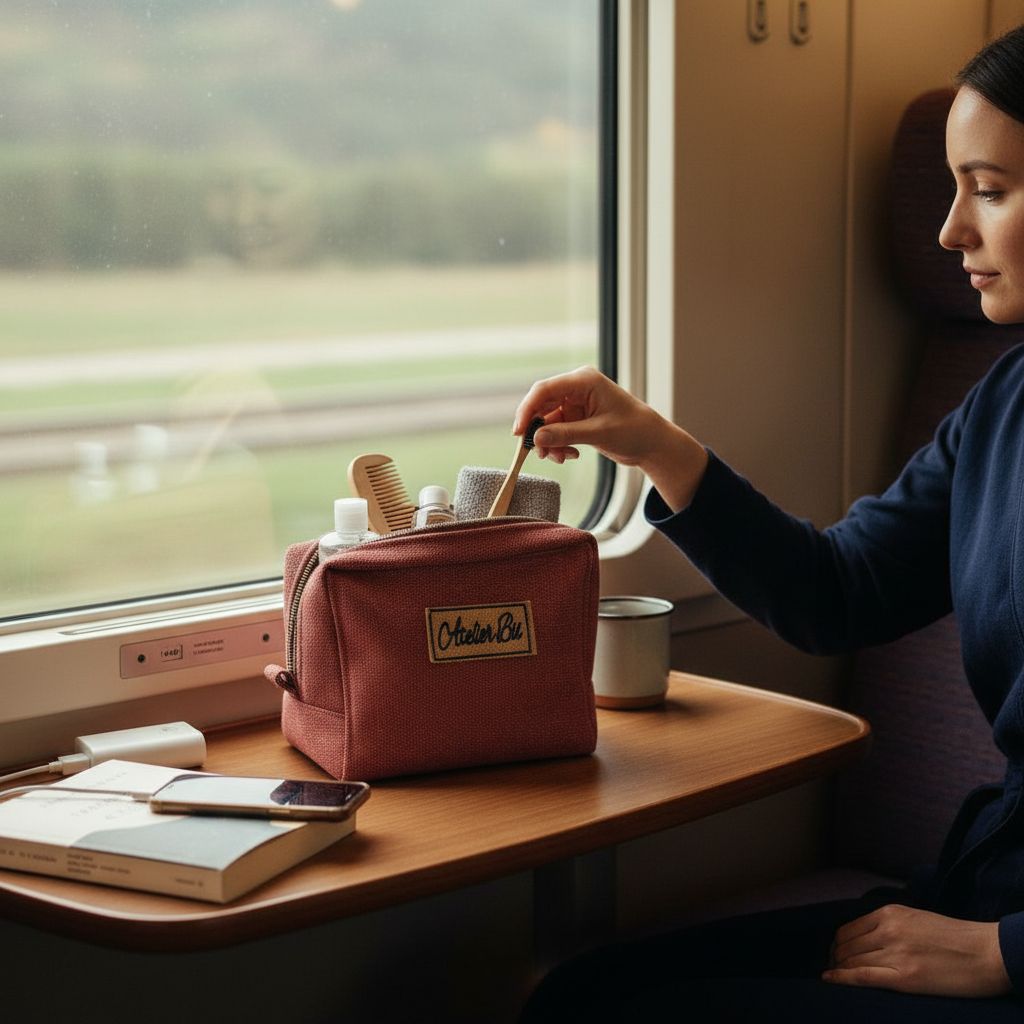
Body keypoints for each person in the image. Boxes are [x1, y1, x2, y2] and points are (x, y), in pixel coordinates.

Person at [515, 24, 1024, 1024]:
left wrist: (1006, 955)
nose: (949, 231)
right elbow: (837, 592)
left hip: (1006, 945)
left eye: (992, 189)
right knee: (581, 992)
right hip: (985, 887)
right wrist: (656, 445)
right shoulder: (1004, 400)